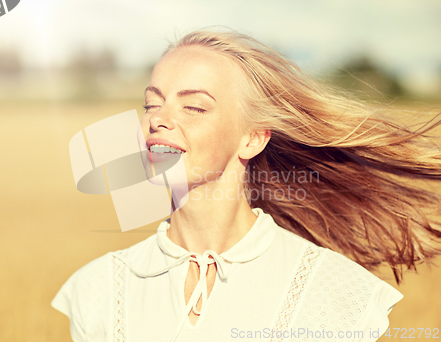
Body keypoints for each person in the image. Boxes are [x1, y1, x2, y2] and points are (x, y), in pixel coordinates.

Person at [51, 29, 441, 342]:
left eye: (194, 106)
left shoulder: (336, 292)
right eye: (152, 104)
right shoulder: (97, 290)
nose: (158, 120)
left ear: (253, 138)